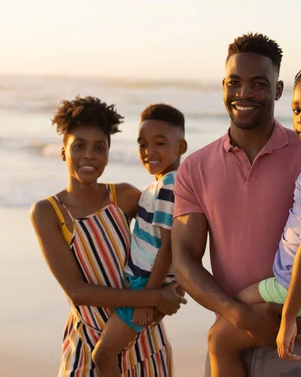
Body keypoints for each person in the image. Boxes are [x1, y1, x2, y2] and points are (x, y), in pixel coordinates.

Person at [171, 33, 301, 376]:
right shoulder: (195, 168)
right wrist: (237, 314)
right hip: (232, 339)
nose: (244, 93)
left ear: (278, 89)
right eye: (234, 82)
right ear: (223, 85)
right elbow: (183, 260)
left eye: (258, 83)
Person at [30, 96, 186, 377]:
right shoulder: (47, 212)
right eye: (79, 146)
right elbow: (77, 292)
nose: (89, 155)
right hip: (90, 344)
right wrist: (153, 296)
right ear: (63, 151)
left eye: (99, 148)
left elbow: (173, 236)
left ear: (108, 154)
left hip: (144, 338)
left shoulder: (123, 197)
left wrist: (176, 289)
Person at [91, 103, 188, 377]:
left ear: (181, 147)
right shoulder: (157, 186)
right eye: (143, 144)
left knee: (103, 355)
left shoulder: (170, 184)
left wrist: (147, 299)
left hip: (144, 286)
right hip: (143, 286)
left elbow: (169, 246)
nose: (149, 151)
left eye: (159, 143)